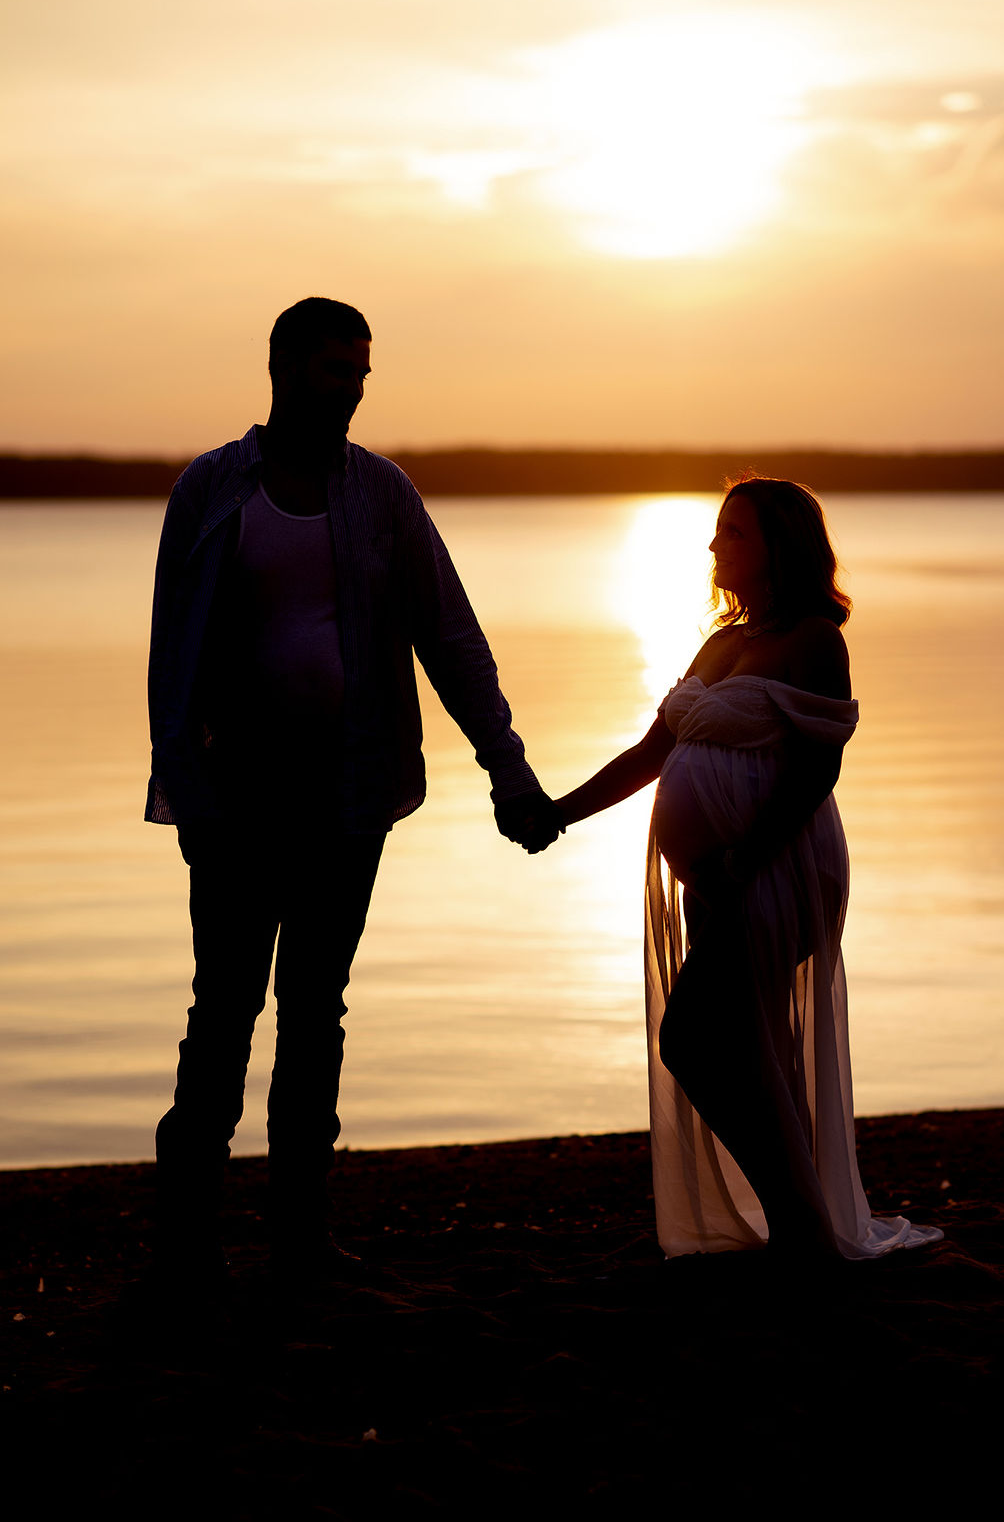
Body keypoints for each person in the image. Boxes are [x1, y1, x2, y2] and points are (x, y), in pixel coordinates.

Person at [146, 296, 562, 1288]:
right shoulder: (212, 490)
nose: (354, 389)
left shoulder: (383, 496)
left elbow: (450, 639)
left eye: (362, 372)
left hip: (349, 796)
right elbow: (173, 659)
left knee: (315, 1012)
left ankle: (297, 1239)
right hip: (238, 802)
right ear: (285, 368)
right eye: (337, 370)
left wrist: (506, 766)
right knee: (223, 1015)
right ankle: (188, 1250)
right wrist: (188, 796)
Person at [553, 476, 942, 1259]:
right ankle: (800, 1223)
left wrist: (742, 856)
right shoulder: (722, 641)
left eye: (732, 531)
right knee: (740, 1041)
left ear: (779, 547)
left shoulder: (813, 640)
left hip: (776, 867)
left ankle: (800, 1223)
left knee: (697, 1037)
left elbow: (816, 769)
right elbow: (650, 755)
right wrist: (557, 813)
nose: (712, 545)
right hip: (720, 875)